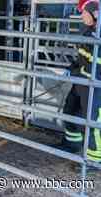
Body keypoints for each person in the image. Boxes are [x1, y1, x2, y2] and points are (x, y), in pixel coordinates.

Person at [57, 0, 101, 165]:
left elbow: (95, 66)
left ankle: (95, 160)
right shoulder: (89, 32)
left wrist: (76, 72)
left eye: (84, 12)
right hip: (82, 80)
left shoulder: (99, 35)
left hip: (95, 85)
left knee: (93, 120)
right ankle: (72, 143)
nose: (81, 15)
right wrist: (71, 67)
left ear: (95, 14)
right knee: (70, 109)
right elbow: (82, 57)